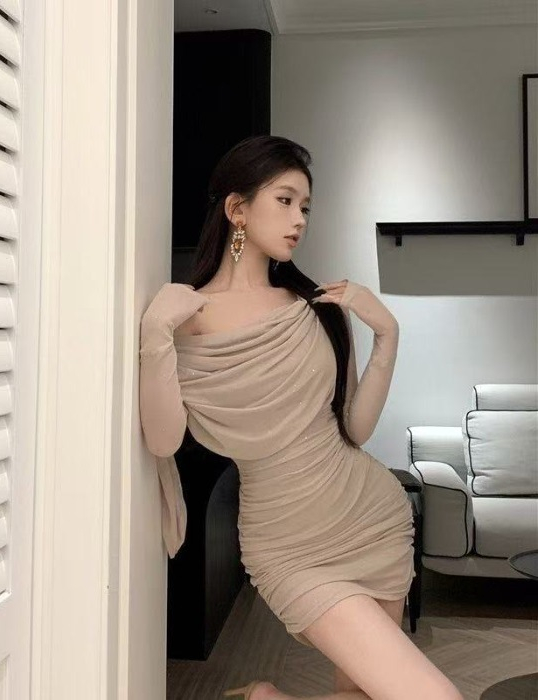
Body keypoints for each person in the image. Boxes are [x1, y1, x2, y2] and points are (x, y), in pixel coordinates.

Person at [138, 135, 463, 700]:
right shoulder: (187, 318)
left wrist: (387, 333)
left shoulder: (316, 309)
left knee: (365, 693)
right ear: (237, 209)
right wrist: (154, 335)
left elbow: (355, 430)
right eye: (285, 200)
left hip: (373, 520)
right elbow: (164, 440)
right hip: (290, 547)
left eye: (306, 207)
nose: (299, 220)